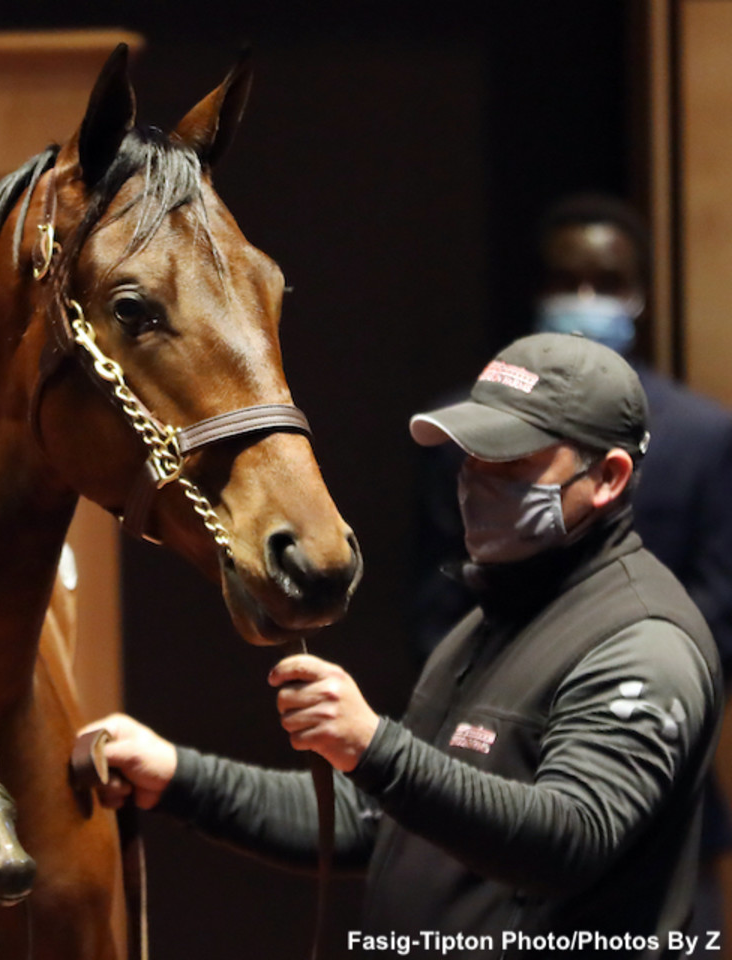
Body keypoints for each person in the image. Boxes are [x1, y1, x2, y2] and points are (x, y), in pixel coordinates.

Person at [84, 333, 723, 957]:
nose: (476, 480)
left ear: (608, 478)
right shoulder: (492, 620)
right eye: (471, 457)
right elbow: (381, 821)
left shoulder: (644, 642)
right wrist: (177, 777)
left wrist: (373, 746)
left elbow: (572, 837)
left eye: (510, 462)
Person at [412, 194, 732, 934]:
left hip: (636, 738)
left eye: (605, 285)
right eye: (568, 281)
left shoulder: (705, 436)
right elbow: (435, 602)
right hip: (477, 770)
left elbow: (721, 607)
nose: (584, 300)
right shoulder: (458, 424)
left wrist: (592, 686)